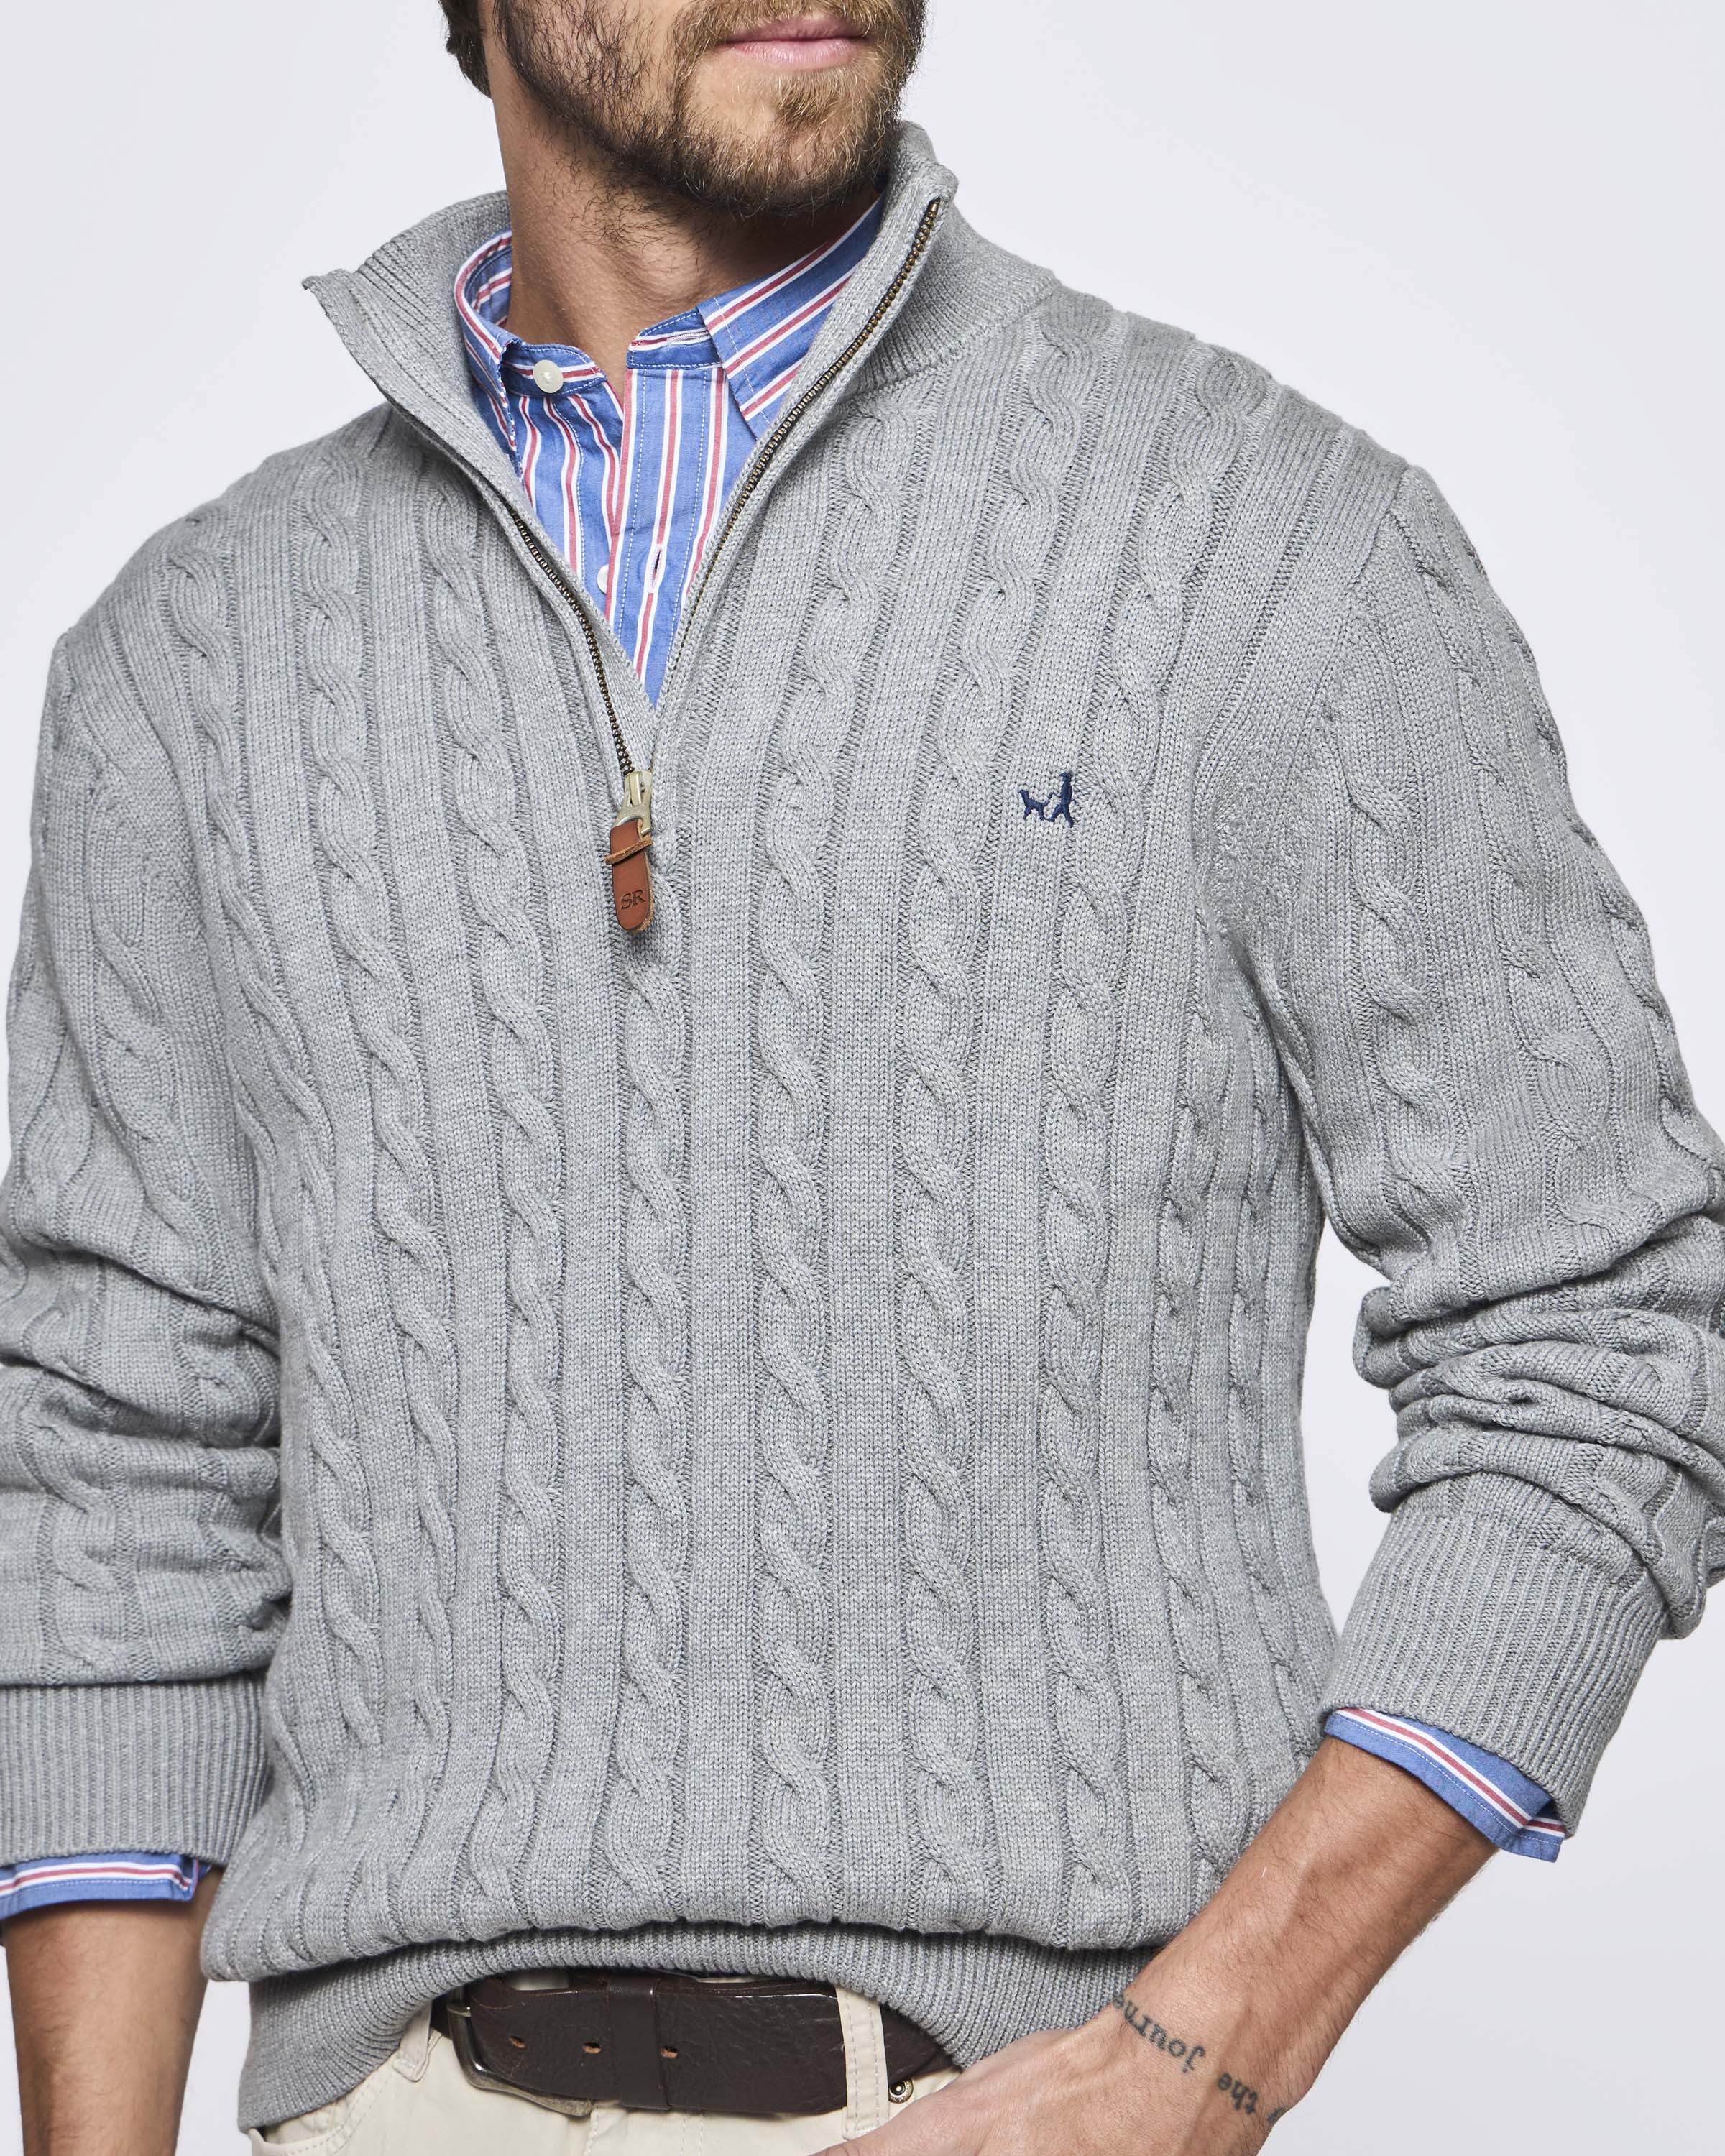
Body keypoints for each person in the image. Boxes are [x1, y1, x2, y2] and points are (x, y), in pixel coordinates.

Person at [2, 1, 1721, 2150]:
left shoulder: (1271, 547)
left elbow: (1607, 1331)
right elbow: (113, 1472)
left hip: (1026, 2099)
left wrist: (1204, 2053)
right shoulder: (194, 662)